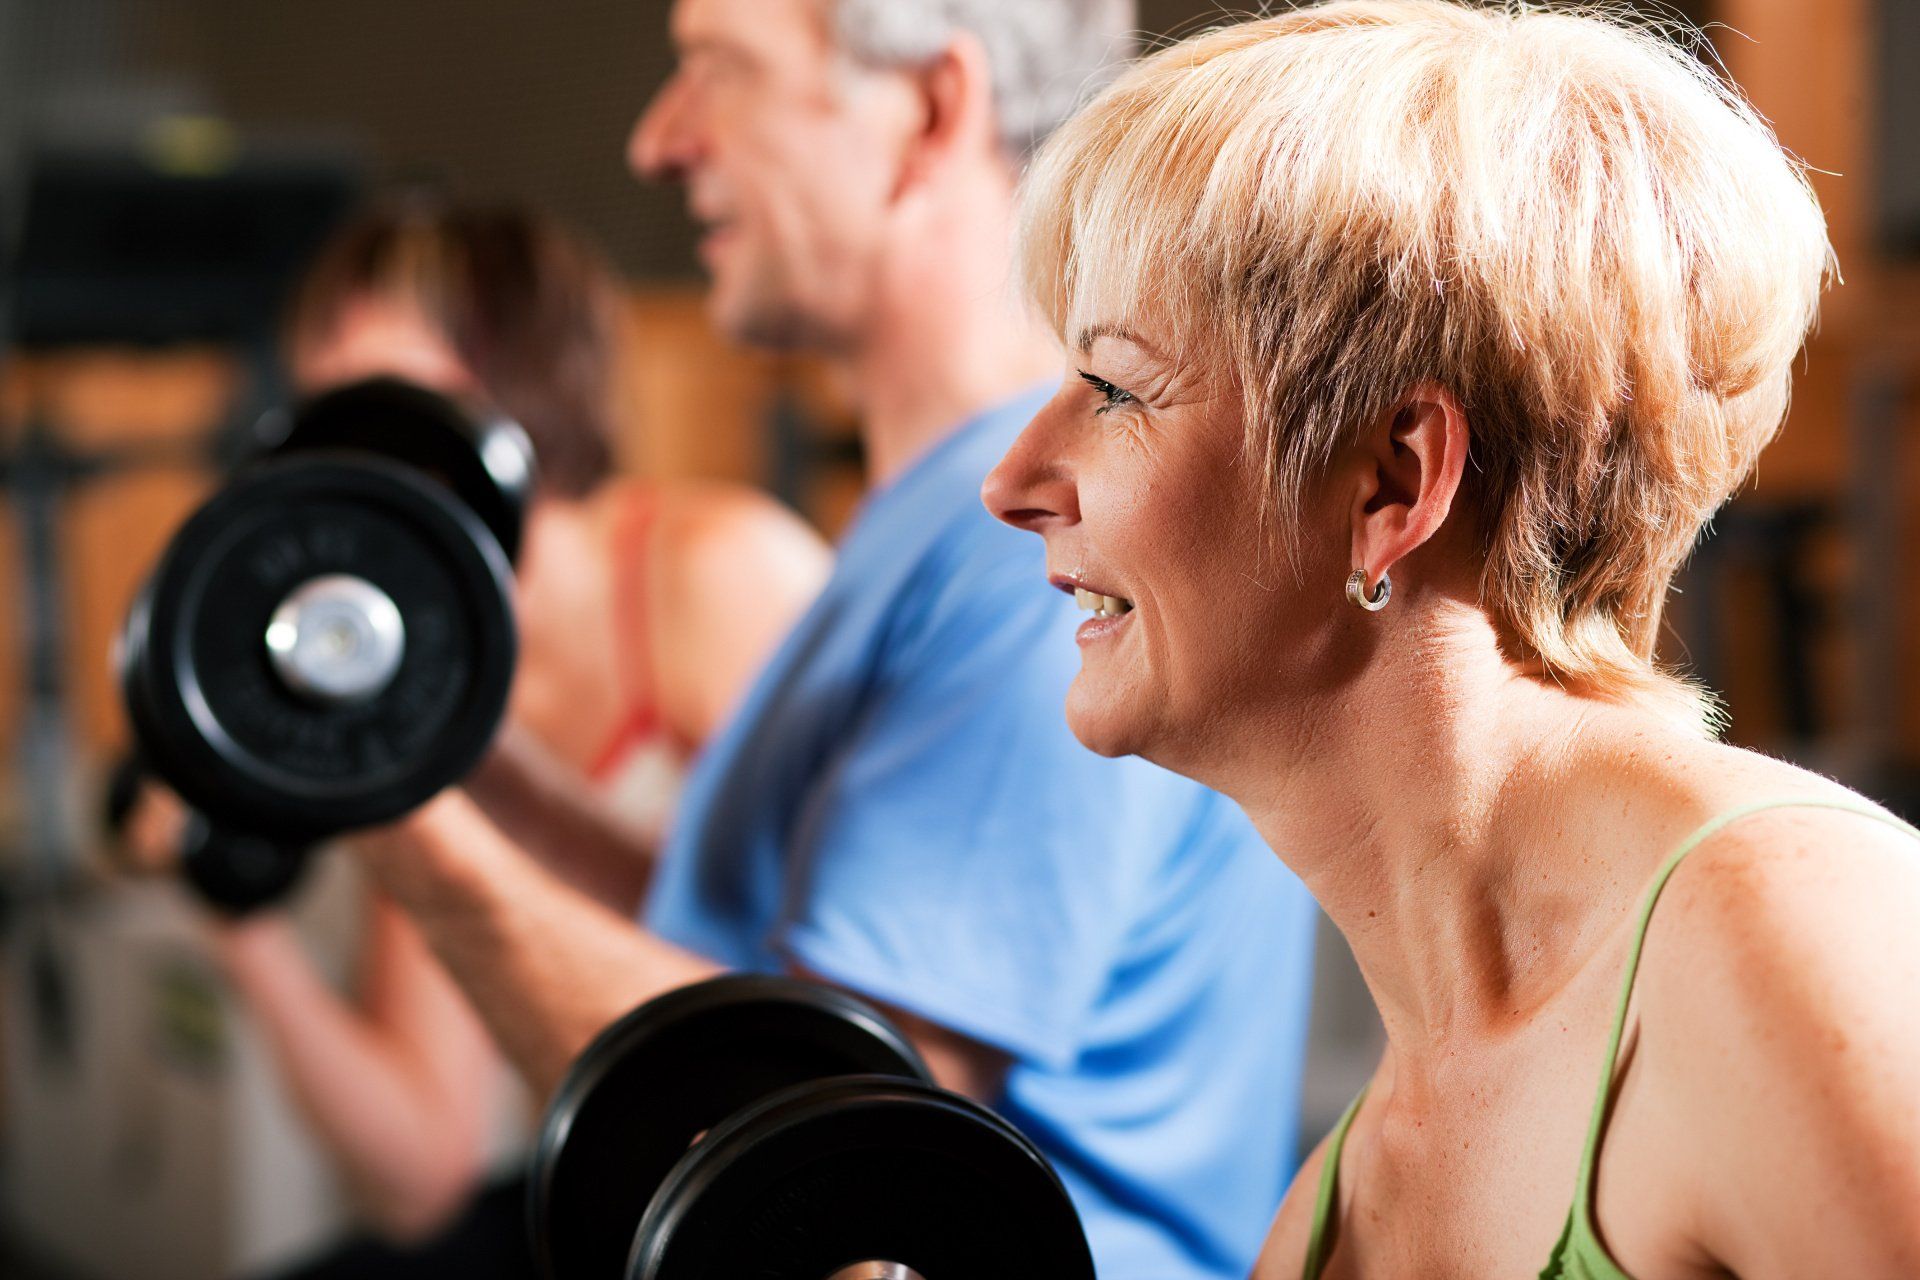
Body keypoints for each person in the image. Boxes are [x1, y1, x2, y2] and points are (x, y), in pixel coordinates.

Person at [355, 3, 1321, 1278]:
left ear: (927, 114)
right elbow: (757, 957)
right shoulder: (938, 513)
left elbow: (832, 1148)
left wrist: (387, 814)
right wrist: (468, 772)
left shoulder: (1031, 552)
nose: (658, 141)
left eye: (722, 73)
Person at [985, 2, 1920, 1277]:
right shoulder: (1333, 1207)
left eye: (1114, 388)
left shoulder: (1785, 936)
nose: (1015, 476)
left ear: (1391, 482)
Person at [120, 202, 832, 1273]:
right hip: (602, 1187)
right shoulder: (401, 691)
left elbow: (841, 1030)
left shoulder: (710, 576)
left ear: (524, 400)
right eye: (325, 412)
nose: (351, 458)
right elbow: (421, 1173)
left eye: (394, 403)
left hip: (790, 1184)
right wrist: (234, 914)